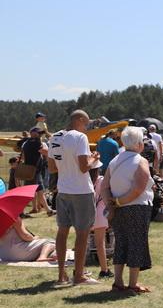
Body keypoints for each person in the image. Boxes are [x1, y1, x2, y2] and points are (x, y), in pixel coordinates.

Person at [47, 110, 100, 287]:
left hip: (63, 189)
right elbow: (84, 167)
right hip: (81, 190)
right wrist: (94, 158)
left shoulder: (54, 137)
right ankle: (79, 275)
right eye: (86, 123)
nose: (87, 127)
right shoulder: (80, 137)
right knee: (82, 233)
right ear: (80, 120)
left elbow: (52, 168)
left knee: (62, 232)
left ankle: (61, 274)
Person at [101, 126, 154, 293]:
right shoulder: (140, 161)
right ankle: (133, 284)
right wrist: (119, 201)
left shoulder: (114, 161)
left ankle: (118, 282)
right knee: (136, 244)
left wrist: (111, 204)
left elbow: (104, 186)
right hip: (137, 207)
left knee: (121, 243)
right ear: (139, 144)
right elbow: (138, 189)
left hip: (118, 209)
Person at [20, 126, 54, 216]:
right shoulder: (35, 142)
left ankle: (49, 210)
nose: (41, 135)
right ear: (33, 133)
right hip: (33, 171)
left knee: (40, 191)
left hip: (34, 171)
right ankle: (20, 212)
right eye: (39, 133)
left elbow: (23, 156)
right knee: (27, 193)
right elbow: (45, 151)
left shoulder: (27, 142)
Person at [92, 164, 112, 278]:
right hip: (100, 213)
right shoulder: (101, 180)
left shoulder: (84, 180)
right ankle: (104, 269)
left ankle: (79, 269)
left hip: (86, 213)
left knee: (83, 242)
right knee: (100, 243)